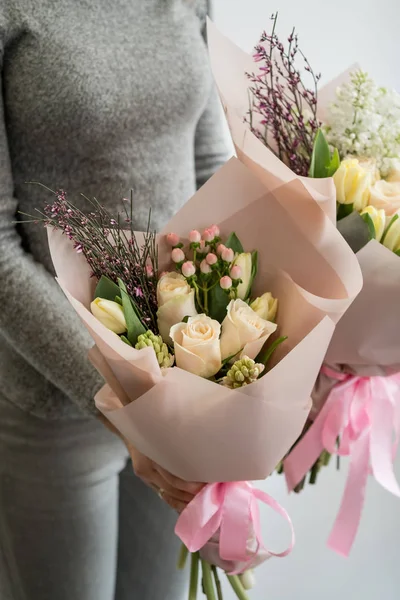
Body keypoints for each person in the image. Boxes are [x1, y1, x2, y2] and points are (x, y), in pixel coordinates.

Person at [0, 1, 230, 598]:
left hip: (184, 381)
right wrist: (129, 405)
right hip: (58, 404)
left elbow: (210, 170)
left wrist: (247, 352)